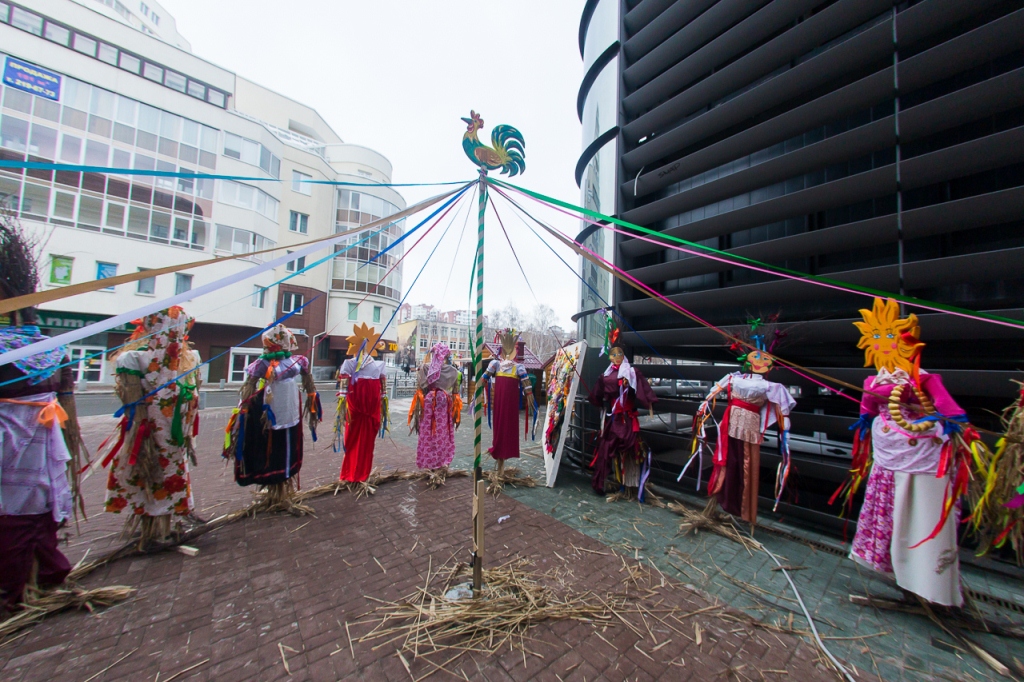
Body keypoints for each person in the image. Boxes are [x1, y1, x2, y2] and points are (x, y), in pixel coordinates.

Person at [846, 298, 968, 606]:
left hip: (922, 459)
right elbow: (867, 408)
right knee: (891, 514)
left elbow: (947, 407)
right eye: (876, 336)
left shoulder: (922, 377)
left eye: (889, 335)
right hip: (888, 458)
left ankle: (929, 586)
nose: (883, 343)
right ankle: (897, 575)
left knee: (923, 515)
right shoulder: (874, 379)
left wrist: (959, 425)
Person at [0, 217, 80, 611]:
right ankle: (25, 586)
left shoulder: (41, 350)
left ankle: (22, 586)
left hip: (31, 443)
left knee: (23, 506)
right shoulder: (48, 351)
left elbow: (64, 394)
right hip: (34, 442)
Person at [104, 306, 202, 544]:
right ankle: (152, 528)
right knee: (151, 471)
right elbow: (131, 400)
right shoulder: (134, 358)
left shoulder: (189, 359)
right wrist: (141, 427)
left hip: (174, 434)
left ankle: (165, 525)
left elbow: (193, 391)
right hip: (147, 433)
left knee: (171, 471)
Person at [690, 321, 795, 524]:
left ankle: (745, 512)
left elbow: (782, 406)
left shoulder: (769, 386)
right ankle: (721, 503)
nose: (759, 360)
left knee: (747, 466)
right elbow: (715, 391)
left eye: (763, 357)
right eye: (755, 356)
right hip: (730, 426)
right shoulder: (735, 378)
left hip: (750, 429)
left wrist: (786, 422)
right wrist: (703, 406)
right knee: (728, 464)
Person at [223, 324, 320, 508]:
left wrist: (311, 400)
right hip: (269, 413)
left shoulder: (296, 362)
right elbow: (249, 387)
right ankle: (275, 492)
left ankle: (281, 492)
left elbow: (308, 382)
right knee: (272, 446)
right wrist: (243, 411)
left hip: (289, 410)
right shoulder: (263, 364)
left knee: (286, 446)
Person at [587, 344, 657, 498]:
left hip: (626, 417)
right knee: (610, 448)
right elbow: (597, 395)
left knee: (630, 450)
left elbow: (642, 390)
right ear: (610, 356)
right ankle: (615, 482)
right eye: (613, 354)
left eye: (619, 353)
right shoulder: (606, 376)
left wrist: (649, 401)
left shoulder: (631, 373)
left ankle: (630, 486)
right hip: (615, 418)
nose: (617, 356)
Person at [337, 323, 388, 483]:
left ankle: (362, 474)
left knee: (367, 444)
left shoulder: (379, 365)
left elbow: (382, 392)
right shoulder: (350, 364)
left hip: (371, 411)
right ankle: (350, 473)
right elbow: (343, 391)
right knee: (352, 440)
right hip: (356, 410)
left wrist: (382, 408)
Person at [484, 329, 535, 478]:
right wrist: (478, 392)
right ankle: (499, 459)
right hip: (499, 404)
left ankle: (503, 461)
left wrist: (530, 398)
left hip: (511, 406)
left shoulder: (518, 367)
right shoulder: (495, 365)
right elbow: (484, 378)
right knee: (499, 428)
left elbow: (527, 386)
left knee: (508, 430)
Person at [410, 342, 462, 471]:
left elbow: (421, 386)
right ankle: (441, 460)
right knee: (442, 430)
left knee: (428, 430)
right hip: (444, 401)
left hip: (429, 401)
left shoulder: (425, 368)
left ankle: (429, 460)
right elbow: (455, 389)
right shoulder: (452, 371)